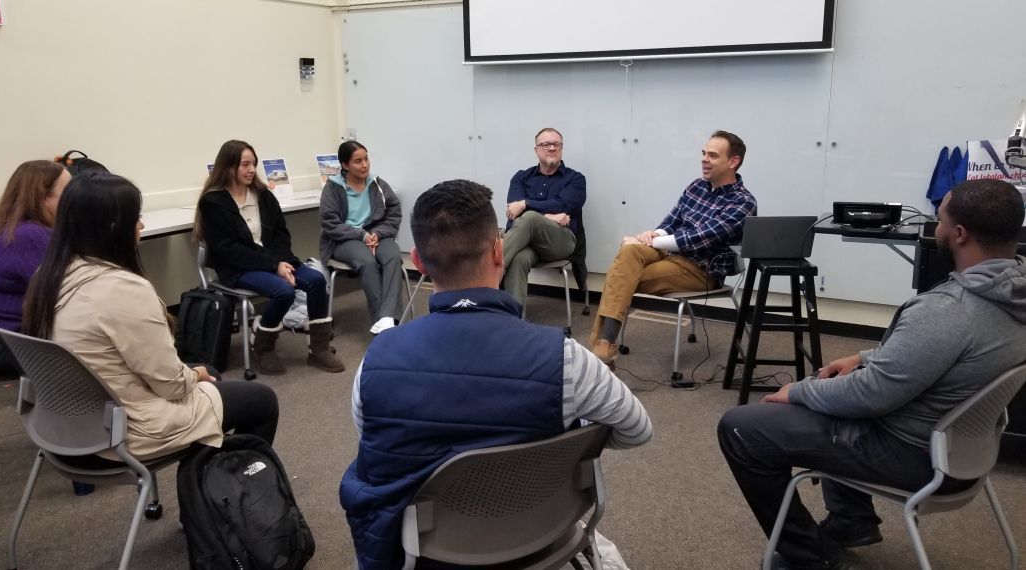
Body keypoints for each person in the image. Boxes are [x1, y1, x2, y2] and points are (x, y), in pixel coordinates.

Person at [339, 179, 653, 570]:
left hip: (424, 553)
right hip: (541, 536)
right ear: (499, 251)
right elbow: (637, 430)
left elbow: (374, 442)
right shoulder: (567, 361)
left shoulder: (376, 363)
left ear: (417, 261)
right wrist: (570, 429)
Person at [717, 179, 1026, 570]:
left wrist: (799, 390)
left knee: (742, 427)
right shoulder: (1012, 294)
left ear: (960, 234)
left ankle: (811, 559)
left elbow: (868, 397)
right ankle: (852, 522)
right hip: (967, 449)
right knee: (836, 388)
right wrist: (863, 356)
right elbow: (942, 354)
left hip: (916, 454)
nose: (936, 227)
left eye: (940, 219)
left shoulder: (947, 310)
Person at [23, 172, 280, 460]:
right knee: (261, 400)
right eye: (136, 217)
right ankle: (222, 491)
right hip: (122, 431)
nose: (142, 225)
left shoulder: (47, 276)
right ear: (112, 226)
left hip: (63, 423)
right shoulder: (122, 289)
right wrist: (196, 374)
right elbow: (172, 385)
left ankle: (210, 478)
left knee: (213, 375)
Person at [588, 130, 756, 367]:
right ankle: (604, 347)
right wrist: (653, 234)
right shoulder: (696, 186)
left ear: (733, 162)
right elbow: (671, 222)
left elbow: (699, 238)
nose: (704, 159)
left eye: (713, 155)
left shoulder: (743, 202)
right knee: (628, 254)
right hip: (670, 255)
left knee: (621, 275)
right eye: (703, 153)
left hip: (701, 271)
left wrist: (649, 241)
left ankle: (601, 349)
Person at [196, 139, 343, 375]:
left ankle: (319, 348)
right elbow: (229, 250)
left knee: (316, 281)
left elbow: (280, 234)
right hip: (238, 267)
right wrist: (274, 265)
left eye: (253, 164)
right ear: (229, 166)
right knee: (283, 291)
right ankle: (262, 345)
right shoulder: (213, 202)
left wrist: (281, 261)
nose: (252, 169)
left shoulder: (262, 194)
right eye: (245, 164)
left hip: (275, 261)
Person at [0, 160, 70, 377]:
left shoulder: (6, 225)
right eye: (68, 191)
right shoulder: (29, 235)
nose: (74, 199)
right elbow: (67, 291)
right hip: (0, 343)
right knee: (97, 347)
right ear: (43, 198)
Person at [320, 141, 404, 334]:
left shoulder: (378, 184)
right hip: (345, 239)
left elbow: (394, 213)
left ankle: (388, 319)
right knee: (368, 263)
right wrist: (361, 235)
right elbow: (330, 223)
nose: (365, 164)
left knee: (393, 257)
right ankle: (382, 325)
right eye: (358, 161)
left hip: (376, 234)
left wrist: (378, 233)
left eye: (366, 159)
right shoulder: (333, 188)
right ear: (345, 165)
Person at [501, 127, 586, 306]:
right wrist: (550, 216)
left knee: (530, 217)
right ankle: (513, 318)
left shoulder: (575, 179)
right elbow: (513, 213)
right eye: (546, 144)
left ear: (562, 148)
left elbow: (564, 205)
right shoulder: (521, 177)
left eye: (556, 144)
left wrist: (527, 204)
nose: (552, 148)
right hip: (526, 243)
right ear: (536, 149)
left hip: (560, 242)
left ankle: (484, 280)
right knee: (518, 259)